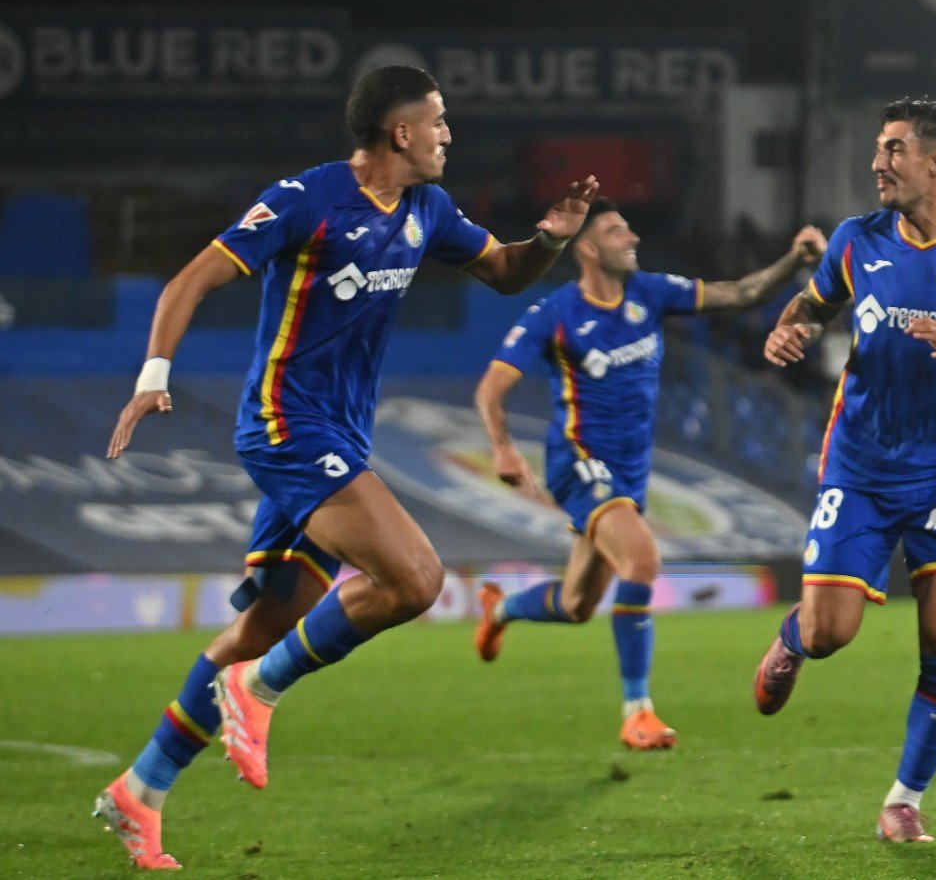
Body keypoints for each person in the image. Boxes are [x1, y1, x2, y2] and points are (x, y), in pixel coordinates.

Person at [95, 65, 598, 870]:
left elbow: (504, 273)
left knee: (266, 620)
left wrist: (552, 239)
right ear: (400, 132)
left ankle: (141, 789)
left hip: (341, 436)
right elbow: (193, 278)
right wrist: (153, 378)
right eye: (437, 121)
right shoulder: (307, 199)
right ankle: (259, 688)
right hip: (285, 425)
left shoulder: (427, 209)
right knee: (415, 579)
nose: (448, 134)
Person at [752, 98, 936, 843]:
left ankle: (903, 800)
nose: (878, 162)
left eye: (893, 149)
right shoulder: (857, 240)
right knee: (830, 631)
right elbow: (809, 310)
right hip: (861, 465)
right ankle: (792, 639)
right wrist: (789, 333)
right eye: (879, 149)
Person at [469, 203, 826, 749]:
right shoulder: (556, 313)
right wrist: (503, 450)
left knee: (576, 604)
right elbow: (491, 387)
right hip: (578, 464)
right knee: (642, 558)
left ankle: (502, 608)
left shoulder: (650, 294)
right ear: (587, 249)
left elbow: (741, 294)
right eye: (616, 231)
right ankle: (638, 712)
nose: (632, 236)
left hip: (631, 472)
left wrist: (791, 262)